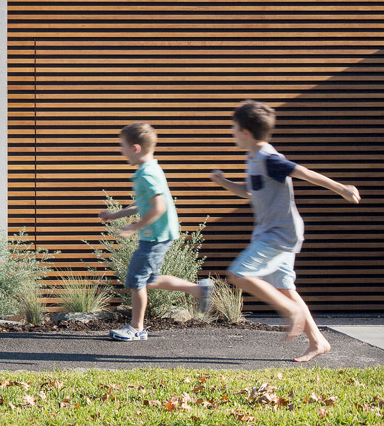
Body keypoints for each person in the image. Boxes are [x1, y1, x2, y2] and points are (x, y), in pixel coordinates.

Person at [210, 100, 360, 362]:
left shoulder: (269, 158)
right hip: (272, 233)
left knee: (238, 273)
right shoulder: (253, 157)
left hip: (279, 235)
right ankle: (318, 341)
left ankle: (293, 313)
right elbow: (248, 191)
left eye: (234, 128)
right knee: (285, 288)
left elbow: (304, 172)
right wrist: (223, 182)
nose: (232, 132)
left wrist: (342, 188)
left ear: (245, 132)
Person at [99, 121, 213, 341]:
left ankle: (136, 328)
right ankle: (198, 290)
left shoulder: (146, 174)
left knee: (136, 280)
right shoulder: (151, 169)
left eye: (122, 146)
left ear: (135, 148)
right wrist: (114, 215)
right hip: (160, 234)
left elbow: (159, 206)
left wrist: (134, 227)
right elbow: (143, 204)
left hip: (154, 236)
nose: (121, 151)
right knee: (149, 279)